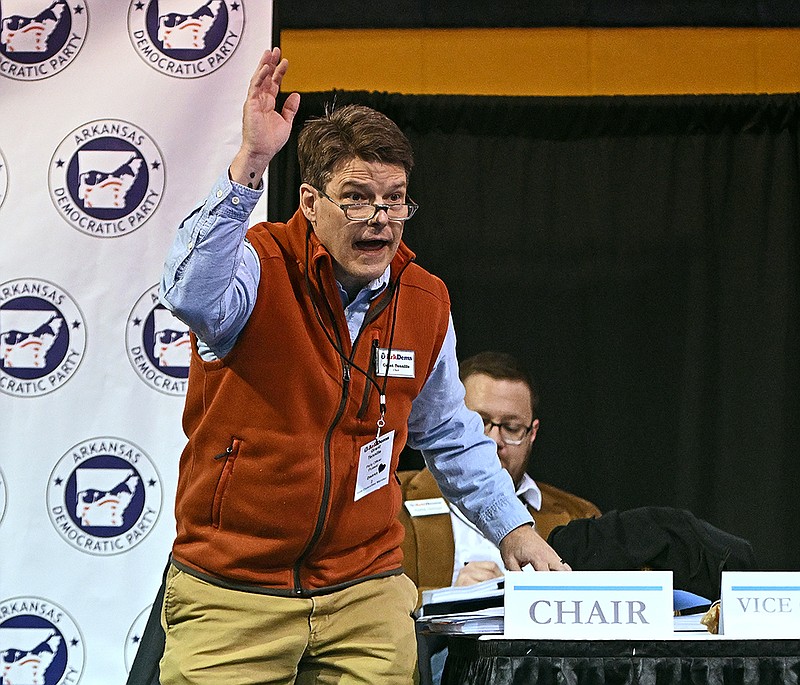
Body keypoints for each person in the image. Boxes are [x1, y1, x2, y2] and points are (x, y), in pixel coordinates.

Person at [156, 47, 569, 684]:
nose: (378, 218)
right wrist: (250, 165)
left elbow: (450, 436)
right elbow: (189, 293)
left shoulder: (425, 299)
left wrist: (516, 531)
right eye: (356, 198)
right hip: (234, 588)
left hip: (363, 587)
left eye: (394, 199)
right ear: (309, 202)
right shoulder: (258, 267)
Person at [400, 350, 600, 597]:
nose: (493, 440)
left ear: (532, 433)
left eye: (511, 428)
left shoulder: (579, 515)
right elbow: (368, 604)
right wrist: (448, 596)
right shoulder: (392, 501)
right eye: (478, 423)